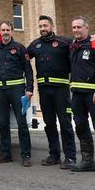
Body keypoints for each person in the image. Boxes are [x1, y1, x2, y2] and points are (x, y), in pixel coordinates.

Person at [27, 15, 76, 169]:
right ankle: (54, 155)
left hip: (61, 91)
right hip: (44, 92)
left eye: (45, 26)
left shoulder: (64, 42)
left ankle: (70, 157)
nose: (43, 29)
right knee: (49, 124)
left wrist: (93, 39)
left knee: (65, 124)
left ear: (52, 26)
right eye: (40, 26)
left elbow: (82, 45)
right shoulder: (35, 45)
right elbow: (23, 55)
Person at [69, 16, 95, 178]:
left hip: (93, 95)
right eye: (74, 28)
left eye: (79, 27)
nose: (76, 30)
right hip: (77, 95)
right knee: (80, 126)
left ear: (87, 28)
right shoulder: (73, 46)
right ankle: (88, 162)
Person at [0, 21, 34, 166]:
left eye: (8, 29)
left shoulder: (20, 48)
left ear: (11, 31)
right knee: (3, 123)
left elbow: (28, 70)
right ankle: (6, 154)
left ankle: (26, 156)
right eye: (3, 30)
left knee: (21, 123)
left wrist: (29, 89)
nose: (5, 32)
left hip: (17, 90)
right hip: (0, 91)